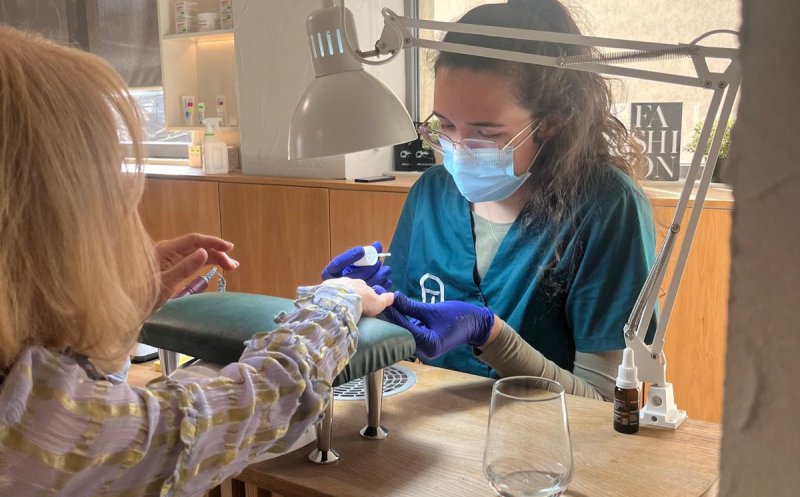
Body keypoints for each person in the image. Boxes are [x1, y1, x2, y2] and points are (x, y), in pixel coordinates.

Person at [0, 26, 393, 496]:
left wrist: (121, 303)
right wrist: (338, 298)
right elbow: (265, 398)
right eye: (117, 203)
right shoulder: (37, 427)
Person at [323, 0, 656, 401]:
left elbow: (605, 404)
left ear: (551, 122)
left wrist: (492, 336)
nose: (458, 150)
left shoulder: (607, 208)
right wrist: (362, 307)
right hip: (431, 427)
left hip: (540, 436)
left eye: (487, 133)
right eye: (445, 125)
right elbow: (402, 346)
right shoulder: (432, 193)